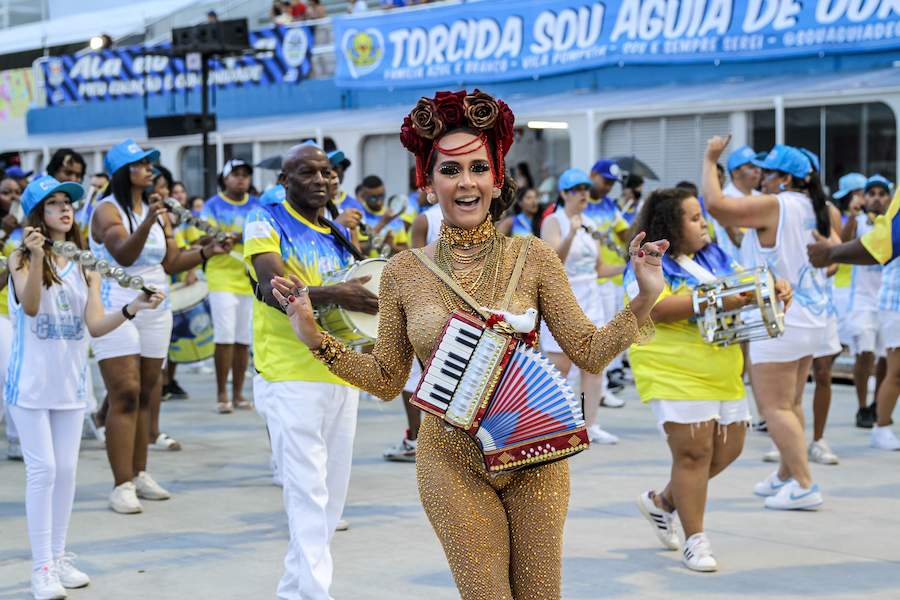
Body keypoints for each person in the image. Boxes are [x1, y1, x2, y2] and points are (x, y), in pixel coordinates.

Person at [269, 89, 666, 600]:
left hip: (534, 456)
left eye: (478, 167)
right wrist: (315, 338)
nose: (466, 182)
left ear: (497, 177)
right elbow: (388, 381)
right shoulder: (404, 272)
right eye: (450, 171)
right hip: (450, 459)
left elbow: (588, 351)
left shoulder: (534, 257)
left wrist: (645, 296)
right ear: (429, 185)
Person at [8, 176, 163, 600]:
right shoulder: (19, 257)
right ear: (37, 214)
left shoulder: (84, 263)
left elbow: (95, 324)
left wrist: (133, 307)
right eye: (53, 203)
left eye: (68, 202)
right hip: (29, 383)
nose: (64, 209)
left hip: (70, 384)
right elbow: (33, 305)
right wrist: (39, 256)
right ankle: (41, 569)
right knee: (43, 471)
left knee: (68, 472)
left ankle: (58, 557)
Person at [627, 186, 792, 572]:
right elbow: (654, 308)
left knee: (730, 447)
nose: (704, 223)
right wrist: (717, 299)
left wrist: (777, 288)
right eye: (695, 217)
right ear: (671, 225)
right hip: (672, 368)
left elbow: (746, 284)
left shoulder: (714, 255)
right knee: (693, 454)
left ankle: (663, 501)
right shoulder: (649, 258)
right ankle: (696, 540)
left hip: (720, 366)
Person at [243, 142, 378, 599]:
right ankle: (316, 593)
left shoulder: (336, 231)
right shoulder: (266, 220)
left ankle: (294, 590)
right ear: (285, 181)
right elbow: (269, 287)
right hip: (290, 372)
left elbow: (362, 288)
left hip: (341, 368)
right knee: (307, 494)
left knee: (330, 499)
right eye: (307, 173)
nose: (322, 180)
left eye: (327, 173)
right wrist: (338, 294)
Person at [90, 139, 231, 514]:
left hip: (157, 306)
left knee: (149, 391)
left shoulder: (159, 212)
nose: (150, 169)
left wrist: (205, 253)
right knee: (125, 392)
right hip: (116, 305)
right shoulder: (107, 210)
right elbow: (123, 253)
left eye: (150, 163)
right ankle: (120, 484)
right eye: (140, 164)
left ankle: (139, 473)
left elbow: (169, 262)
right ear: (123, 172)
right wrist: (151, 218)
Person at [703, 137, 834, 510]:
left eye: (768, 171)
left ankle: (805, 484)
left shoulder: (778, 204)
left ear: (784, 178)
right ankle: (787, 474)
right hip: (810, 316)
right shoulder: (814, 206)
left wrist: (711, 159)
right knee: (791, 403)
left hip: (778, 318)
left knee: (774, 407)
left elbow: (717, 206)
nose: (761, 177)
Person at [541, 168, 626, 443]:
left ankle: (590, 425)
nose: (582, 195)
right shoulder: (554, 221)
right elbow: (552, 262)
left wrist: (630, 265)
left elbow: (599, 267)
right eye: (576, 190)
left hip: (592, 299)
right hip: (564, 298)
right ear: (564, 193)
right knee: (560, 366)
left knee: (594, 365)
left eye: (585, 190)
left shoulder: (589, 222)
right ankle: (554, 425)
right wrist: (570, 235)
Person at [202, 159, 260, 414]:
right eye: (236, 174)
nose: (241, 179)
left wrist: (236, 236)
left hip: (247, 277)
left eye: (245, 175)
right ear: (225, 178)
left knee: (242, 339)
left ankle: (238, 393)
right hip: (221, 277)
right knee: (224, 336)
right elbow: (202, 235)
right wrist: (224, 236)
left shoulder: (256, 205)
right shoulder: (212, 205)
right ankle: (221, 393)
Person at [844, 176, 891, 430]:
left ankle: (876, 404)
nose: (876, 197)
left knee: (885, 357)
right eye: (871, 193)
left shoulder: (893, 223)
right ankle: (862, 406)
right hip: (862, 300)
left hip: (887, 301)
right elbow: (842, 242)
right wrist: (851, 217)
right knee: (865, 354)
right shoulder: (860, 222)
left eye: (882, 193)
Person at [586, 159, 632, 400]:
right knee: (598, 339)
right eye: (605, 181)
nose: (607, 187)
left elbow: (625, 233)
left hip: (613, 281)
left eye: (612, 184)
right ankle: (599, 390)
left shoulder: (609, 206)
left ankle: (605, 385)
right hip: (592, 282)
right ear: (593, 174)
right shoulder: (580, 204)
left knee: (610, 336)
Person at [1, 176, 23, 460]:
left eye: (17, 192)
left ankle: (18, 437)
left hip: (20, 312)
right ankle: (16, 437)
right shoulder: (8, 229)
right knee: (10, 374)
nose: (12, 198)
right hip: (1, 313)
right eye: (6, 192)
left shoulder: (23, 226)